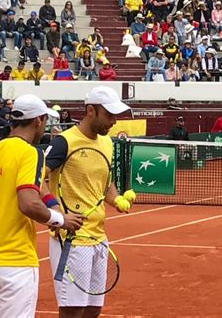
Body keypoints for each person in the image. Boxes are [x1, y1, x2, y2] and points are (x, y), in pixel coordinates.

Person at [0, 94, 84, 318]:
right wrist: (61, 220)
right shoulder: (30, 152)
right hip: (14, 261)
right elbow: (29, 204)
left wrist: (53, 207)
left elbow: (37, 187)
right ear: (38, 120)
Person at [46, 86, 131, 317]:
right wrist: (56, 213)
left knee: (94, 309)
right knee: (73, 309)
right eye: (109, 115)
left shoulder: (107, 143)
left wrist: (118, 200)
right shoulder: (64, 142)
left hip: (99, 237)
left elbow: (105, 185)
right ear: (91, 111)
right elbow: (37, 179)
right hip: (72, 240)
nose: (113, 121)